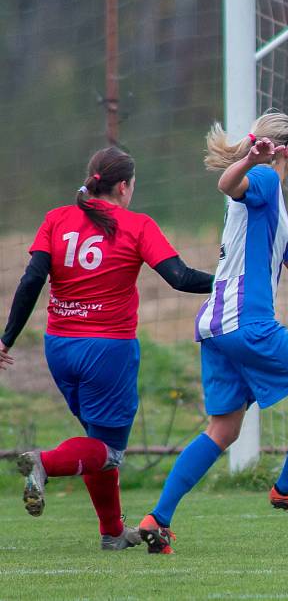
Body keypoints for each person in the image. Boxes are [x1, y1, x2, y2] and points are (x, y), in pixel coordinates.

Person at [138, 111, 288, 555]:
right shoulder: (264, 181)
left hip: (215, 326)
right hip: (248, 324)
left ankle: (159, 519)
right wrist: (250, 160)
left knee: (223, 430)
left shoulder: (273, 201)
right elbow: (227, 184)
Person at [0, 146, 214, 550]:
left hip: (59, 347)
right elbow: (181, 278)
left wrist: (6, 338)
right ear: (123, 186)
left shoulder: (56, 219)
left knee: (96, 441)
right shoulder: (136, 225)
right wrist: (231, 280)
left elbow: (31, 281)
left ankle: (113, 534)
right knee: (110, 450)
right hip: (107, 350)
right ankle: (44, 462)